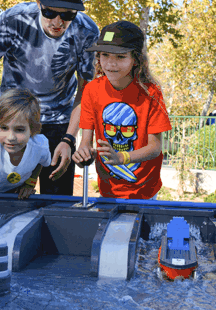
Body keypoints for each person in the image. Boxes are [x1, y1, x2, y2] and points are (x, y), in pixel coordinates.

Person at [0, 0, 99, 196]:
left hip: (59, 122)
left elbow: (86, 89)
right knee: (6, 196)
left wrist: (69, 139)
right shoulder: (13, 21)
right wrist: (0, 113)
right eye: (50, 11)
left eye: (68, 14)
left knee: (56, 202)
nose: (58, 22)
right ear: (38, 1)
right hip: (15, 121)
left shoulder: (87, 32)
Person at [72, 21, 172, 199]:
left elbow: (155, 147)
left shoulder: (151, 93)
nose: (111, 63)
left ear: (136, 59)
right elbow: (85, 143)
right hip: (108, 190)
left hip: (145, 191)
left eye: (120, 57)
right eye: (105, 55)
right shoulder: (91, 90)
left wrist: (121, 158)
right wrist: (84, 154)